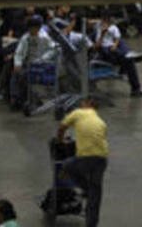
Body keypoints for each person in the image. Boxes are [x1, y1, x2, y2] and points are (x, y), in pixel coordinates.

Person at [57, 97, 108, 227]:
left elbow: (62, 127)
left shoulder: (78, 112)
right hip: (101, 159)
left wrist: (60, 141)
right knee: (95, 195)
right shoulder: (101, 121)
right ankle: (92, 223)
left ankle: (85, 188)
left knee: (66, 166)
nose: (80, 104)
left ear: (87, 104)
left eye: (82, 103)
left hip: (85, 158)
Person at [94, 11, 142, 97]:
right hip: (104, 52)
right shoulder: (99, 29)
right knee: (127, 59)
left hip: (114, 49)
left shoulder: (113, 28)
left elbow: (117, 38)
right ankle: (136, 88)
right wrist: (102, 34)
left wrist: (115, 44)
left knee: (122, 47)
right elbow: (97, 47)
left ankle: (128, 54)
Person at [10, 14, 57, 109]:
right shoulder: (25, 38)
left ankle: (27, 98)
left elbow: (53, 49)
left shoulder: (45, 37)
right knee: (16, 74)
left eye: (34, 28)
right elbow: (19, 52)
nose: (32, 31)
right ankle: (15, 99)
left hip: (41, 65)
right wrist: (17, 64)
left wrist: (43, 59)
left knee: (25, 76)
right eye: (30, 28)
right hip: (28, 63)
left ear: (38, 28)